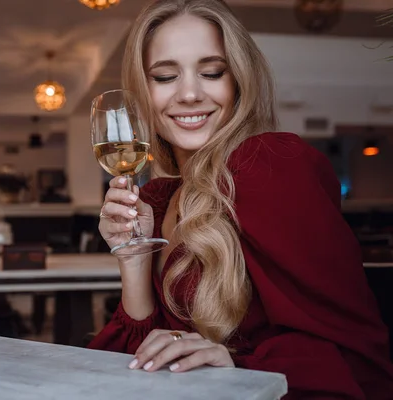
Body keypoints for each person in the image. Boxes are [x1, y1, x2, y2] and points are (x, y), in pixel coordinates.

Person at [87, 0, 393, 398]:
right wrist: (133, 260)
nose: (191, 93)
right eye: (164, 77)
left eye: (212, 72)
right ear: (142, 93)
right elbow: (137, 361)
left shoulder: (272, 166)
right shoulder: (160, 198)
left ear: (238, 81)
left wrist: (236, 366)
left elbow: (352, 354)